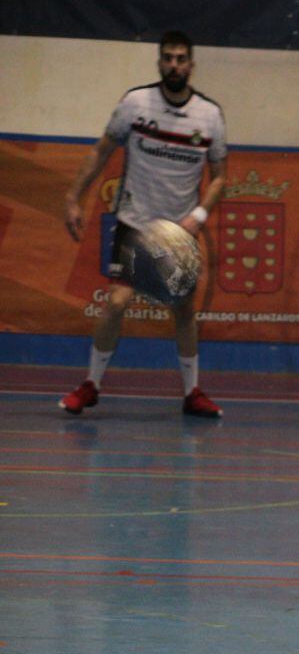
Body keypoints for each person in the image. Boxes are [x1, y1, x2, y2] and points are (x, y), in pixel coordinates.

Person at [60, 30, 227, 418]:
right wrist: (73, 197)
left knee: (184, 310)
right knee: (117, 301)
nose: (174, 65)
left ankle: (192, 393)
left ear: (191, 65)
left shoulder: (210, 115)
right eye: (168, 58)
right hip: (134, 223)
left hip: (178, 232)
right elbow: (102, 150)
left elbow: (219, 176)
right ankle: (90, 385)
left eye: (181, 58)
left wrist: (197, 218)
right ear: (159, 63)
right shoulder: (135, 104)